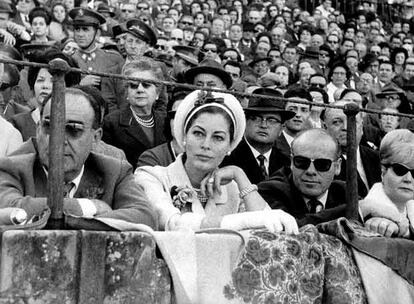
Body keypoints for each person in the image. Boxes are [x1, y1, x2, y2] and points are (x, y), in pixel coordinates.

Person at [135, 90, 299, 233]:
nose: (206, 145)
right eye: (198, 133)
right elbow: (173, 223)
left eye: (218, 138)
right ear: (184, 136)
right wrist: (244, 221)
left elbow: (270, 231)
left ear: (230, 146)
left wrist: (239, 175)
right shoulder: (151, 176)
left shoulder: (233, 189)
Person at [0, 87, 157, 230]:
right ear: (38, 129)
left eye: (73, 130)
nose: (59, 140)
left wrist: (71, 221)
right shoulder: (12, 168)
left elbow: (145, 216)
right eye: (49, 126)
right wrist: (87, 207)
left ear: (96, 138)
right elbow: (8, 207)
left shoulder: (115, 172)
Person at [259, 128, 347, 227]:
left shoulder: (345, 192)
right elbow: (293, 228)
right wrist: (356, 209)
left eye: (322, 164)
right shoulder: (271, 190)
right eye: (301, 162)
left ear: (337, 166)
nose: (310, 171)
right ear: (292, 163)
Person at [103, 58, 167, 169]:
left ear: (157, 92)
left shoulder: (165, 122)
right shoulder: (112, 122)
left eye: (146, 85)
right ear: (127, 92)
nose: (140, 89)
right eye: (133, 85)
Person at [221, 88, 294, 184]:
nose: (263, 125)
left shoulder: (286, 162)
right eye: (256, 118)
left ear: (281, 129)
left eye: (271, 120)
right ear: (245, 122)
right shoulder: (227, 157)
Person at [359, 129, 414, 238]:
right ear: (383, 170)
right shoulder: (368, 216)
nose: (408, 179)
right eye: (400, 170)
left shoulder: (410, 207)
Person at [69, 8, 124, 111]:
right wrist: (80, 85)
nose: (80, 34)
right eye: (77, 29)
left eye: (85, 29)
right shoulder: (69, 60)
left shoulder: (113, 59)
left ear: (97, 33)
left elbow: (121, 96)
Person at [323, 100, 381, 198]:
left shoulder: (378, 158)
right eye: (337, 122)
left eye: (353, 121)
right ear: (325, 128)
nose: (346, 127)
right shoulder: (320, 163)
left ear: (361, 127)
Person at [137, 89, 187, 167]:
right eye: (175, 115)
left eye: (187, 116)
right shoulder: (152, 158)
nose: (180, 121)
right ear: (168, 120)